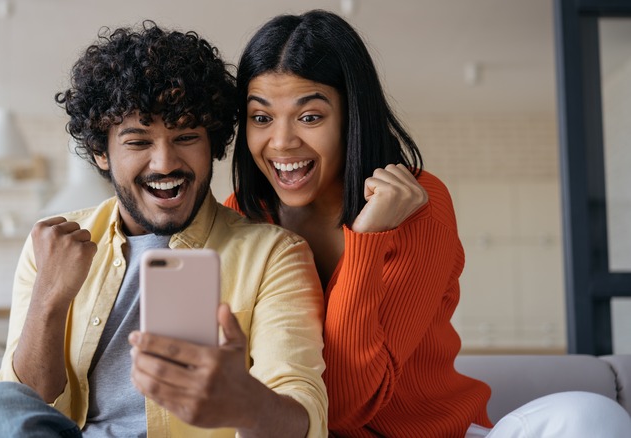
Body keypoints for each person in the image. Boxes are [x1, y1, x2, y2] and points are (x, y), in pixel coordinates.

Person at [226, 9, 631, 438]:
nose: (282, 141)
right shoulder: (241, 219)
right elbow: (322, 413)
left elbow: (346, 405)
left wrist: (367, 239)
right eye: (261, 117)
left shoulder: (417, 204)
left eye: (310, 117)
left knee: (592, 416)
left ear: (351, 116)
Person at [0, 22, 327, 438]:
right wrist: (49, 301)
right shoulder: (54, 242)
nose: (165, 162)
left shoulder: (274, 254)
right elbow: (20, 410)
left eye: (186, 136)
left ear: (212, 144)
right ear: (101, 152)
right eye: (138, 141)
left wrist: (247, 404)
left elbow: (304, 410)